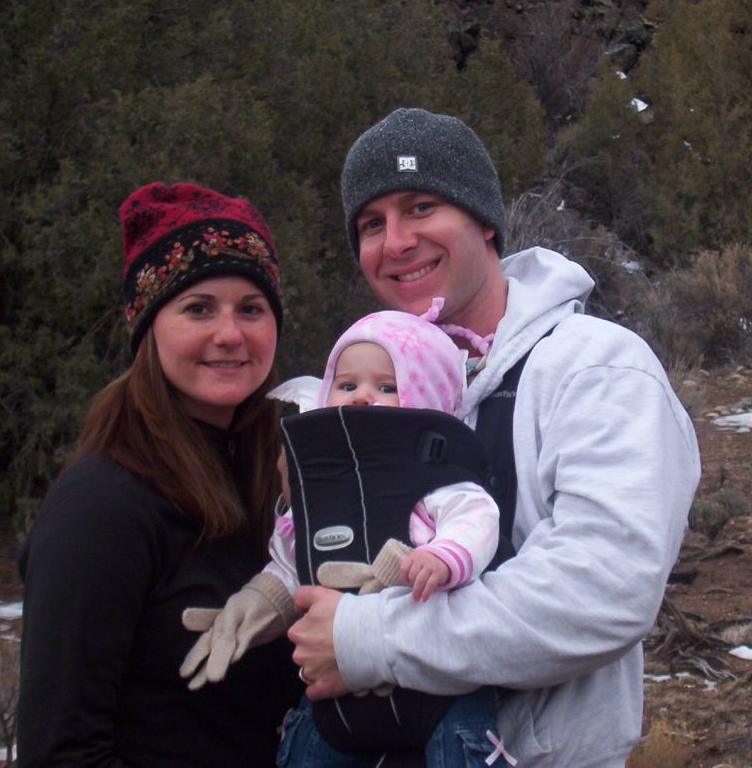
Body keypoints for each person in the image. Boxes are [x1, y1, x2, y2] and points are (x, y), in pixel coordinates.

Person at [288, 107, 702, 767]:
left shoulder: (595, 367)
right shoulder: (362, 389)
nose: (396, 242)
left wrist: (369, 638)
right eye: (371, 224)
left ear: (484, 219)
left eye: (421, 207)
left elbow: (600, 588)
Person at [16, 182, 302, 767]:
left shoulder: (282, 478)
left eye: (251, 308)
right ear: (149, 326)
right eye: (199, 308)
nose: (230, 333)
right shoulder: (103, 504)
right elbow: (61, 752)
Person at [179, 301, 503, 766]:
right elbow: (294, 559)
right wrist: (257, 603)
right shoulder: (321, 486)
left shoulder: (433, 473)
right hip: (336, 698)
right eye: (347, 385)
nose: (361, 396)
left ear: (429, 396)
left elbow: (476, 517)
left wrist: (442, 556)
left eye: (387, 387)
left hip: (439, 691)